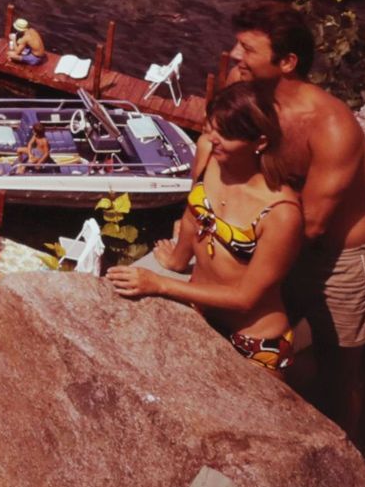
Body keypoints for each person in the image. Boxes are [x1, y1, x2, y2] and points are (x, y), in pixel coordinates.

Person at [207, 7, 365, 430]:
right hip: (274, 240)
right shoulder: (244, 94)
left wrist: (238, 239)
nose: (233, 55)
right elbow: (213, 150)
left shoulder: (331, 126)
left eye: (247, 48)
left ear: (287, 62)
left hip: (335, 259)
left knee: (341, 370)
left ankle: (349, 460)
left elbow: (314, 223)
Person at [109, 81, 303, 376]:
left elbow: (245, 298)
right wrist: (177, 258)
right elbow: (193, 211)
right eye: (211, 127)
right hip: (202, 313)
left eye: (226, 134)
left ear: (260, 142)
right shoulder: (208, 153)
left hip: (254, 341)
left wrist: (159, 283)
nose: (213, 139)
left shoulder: (281, 214)